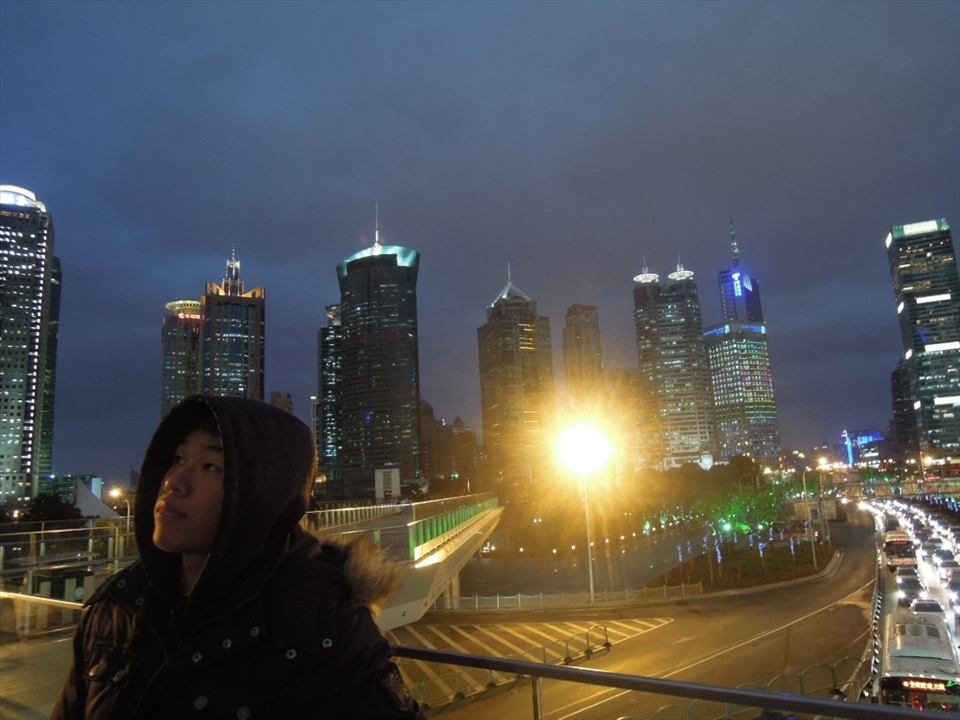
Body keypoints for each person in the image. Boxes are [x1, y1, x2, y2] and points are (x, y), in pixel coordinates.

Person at [53, 395, 424, 719]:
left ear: (260, 495)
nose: (174, 481)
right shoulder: (118, 605)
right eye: (178, 457)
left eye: (210, 466)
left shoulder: (322, 626)